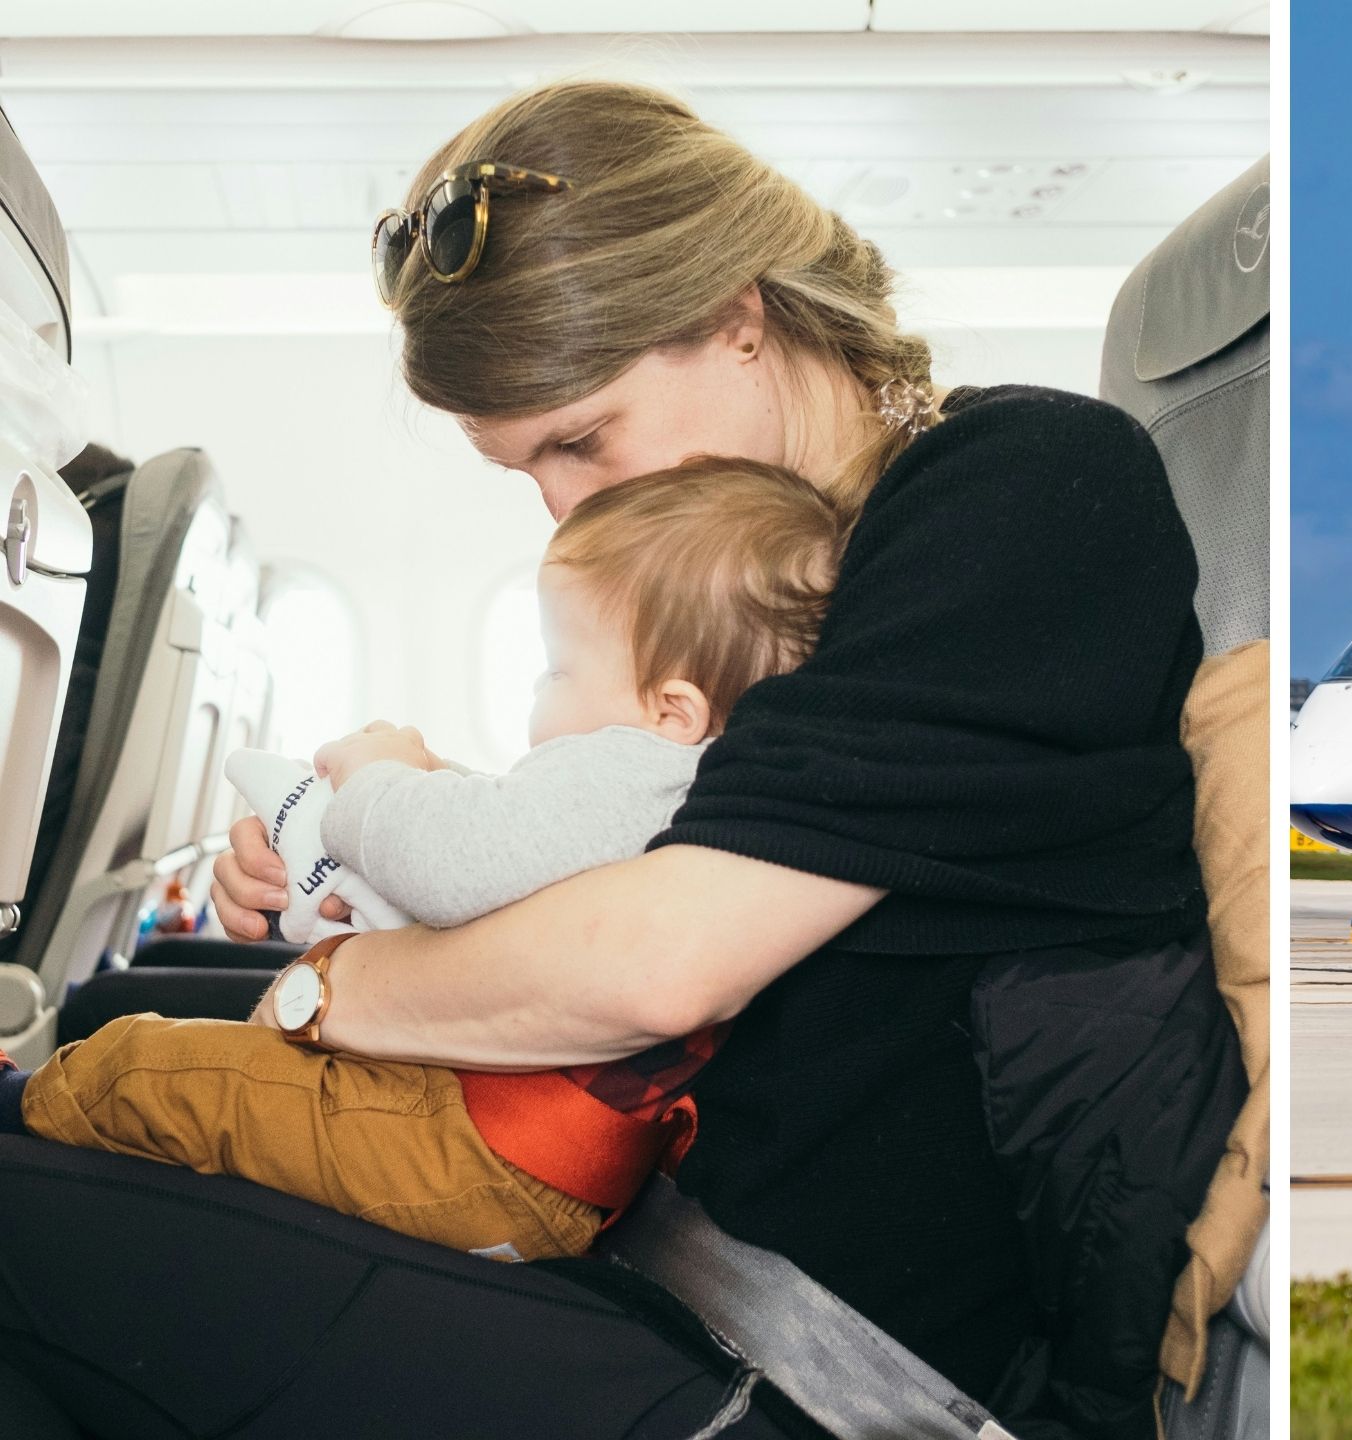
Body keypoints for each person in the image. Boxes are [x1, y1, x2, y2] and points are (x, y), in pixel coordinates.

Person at [0, 79, 1247, 1440]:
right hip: (643, 1252)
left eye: (580, 440)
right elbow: (644, 839)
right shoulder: (767, 566)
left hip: (808, 1372)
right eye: (523, 469)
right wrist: (360, 848)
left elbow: (659, 962)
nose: (562, 508)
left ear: (738, 316)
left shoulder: (1021, 492)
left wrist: (331, 985)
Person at [0, 459, 842, 1264]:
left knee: (144, 1066)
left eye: (556, 668)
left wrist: (380, 780)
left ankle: (16, 1107)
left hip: (478, 1147)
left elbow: (456, 864)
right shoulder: (690, 787)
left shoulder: (637, 767)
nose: (536, 693)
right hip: (527, 1155)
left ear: (672, 711)